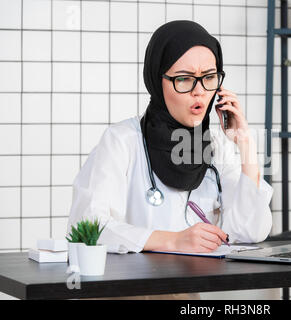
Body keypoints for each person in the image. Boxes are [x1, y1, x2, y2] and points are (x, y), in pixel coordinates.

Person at [67, 20, 274, 299]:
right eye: (184, 79)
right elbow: (88, 228)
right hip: (132, 292)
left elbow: (251, 231)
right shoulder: (122, 140)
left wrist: (245, 143)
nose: (199, 91)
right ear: (157, 79)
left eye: (209, 77)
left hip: (188, 292)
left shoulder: (216, 147)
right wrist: (173, 240)